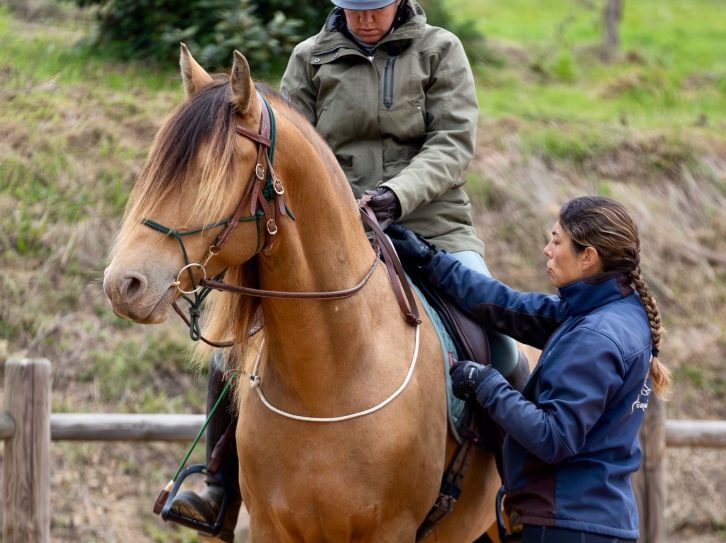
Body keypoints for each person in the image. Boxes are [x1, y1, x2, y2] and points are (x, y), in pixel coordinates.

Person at [169, 0, 527, 537]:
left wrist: (395, 195)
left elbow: (451, 145)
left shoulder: (440, 52)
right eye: (353, 8)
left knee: (496, 340)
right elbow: (286, 150)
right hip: (331, 236)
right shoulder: (309, 59)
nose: (364, 18)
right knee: (236, 340)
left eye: (375, 7)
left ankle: (519, 488)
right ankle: (217, 484)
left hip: (432, 225)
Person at [387, 196, 671, 543]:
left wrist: (486, 382)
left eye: (556, 240)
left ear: (588, 257)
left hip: (565, 528)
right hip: (590, 521)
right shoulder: (610, 314)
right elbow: (511, 307)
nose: (546, 249)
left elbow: (553, 438)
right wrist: (432, 262)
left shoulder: (595, 337)